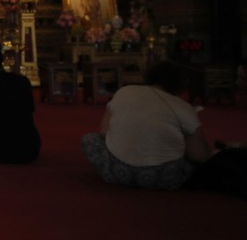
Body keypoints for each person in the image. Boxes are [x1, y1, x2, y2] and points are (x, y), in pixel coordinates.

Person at [81, 60, 211, 190]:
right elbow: (199, 155)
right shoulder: (184, 107)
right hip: (164, 178)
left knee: (89, 139)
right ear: (180, 84)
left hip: (117, 173)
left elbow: (104, 132)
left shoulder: (124, 92)